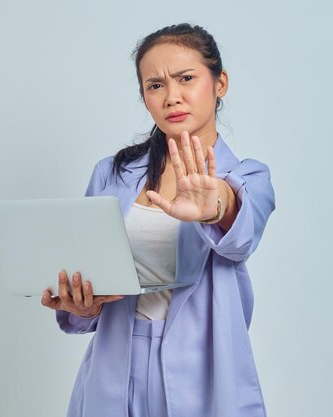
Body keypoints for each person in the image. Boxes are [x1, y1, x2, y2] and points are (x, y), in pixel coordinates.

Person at [40, 23, 275, 417]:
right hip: (115, 365)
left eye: (186, 78)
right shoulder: (112, 174)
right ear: (145, 97)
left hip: (202, 369)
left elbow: (239, 229)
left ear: (220, 84)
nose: (172, 97)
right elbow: (89, 272)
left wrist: (213, 206)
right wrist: (82, 305)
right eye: (155, 85)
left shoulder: (248, 177)